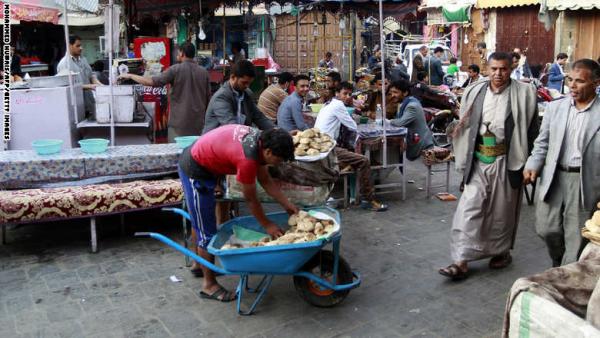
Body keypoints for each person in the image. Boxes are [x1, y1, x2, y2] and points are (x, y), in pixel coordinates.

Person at [439, 52, 539, 280]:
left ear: (511, 69)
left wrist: (531, 163)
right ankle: (460, 260)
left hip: (508, 159)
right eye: (494, 69)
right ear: (487, 68)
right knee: (468, 208)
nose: (498, 74)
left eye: (503, 69)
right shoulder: (476, 90)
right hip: (479, 160)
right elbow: (465, 124)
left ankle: (500, 252)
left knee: (502, 212)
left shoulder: (524, 93)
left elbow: (532, 131)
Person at [178, 125, 299, 301]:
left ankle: (199, 265)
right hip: (195, 169)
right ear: (268, 151)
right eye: (279, 160)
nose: (278, 164)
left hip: (208, 163)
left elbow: (265, 180)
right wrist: (267, 225)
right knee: (207, 230)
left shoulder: (259, 141)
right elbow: (251, 199)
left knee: (200, 221)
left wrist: (288, 205)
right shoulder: (247, 159)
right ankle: (208, 285)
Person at [524, 59, 600, 267]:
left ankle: (565, 275)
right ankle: (558, 260)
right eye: (570, 80)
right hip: (554, 176)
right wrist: (533, 164)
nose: (572, 86)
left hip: (584, 181)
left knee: (576, 236)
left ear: (596, 83)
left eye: (580, 81)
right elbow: (542, 142)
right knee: (546, 228)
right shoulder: (555, 108)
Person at [315, 82, 388, 212]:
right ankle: (368, 199)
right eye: (345, 93)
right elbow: (353, 126)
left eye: (349, 94)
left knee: (352, 156)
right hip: (327, 148)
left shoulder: (329, 104)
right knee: (364, 161)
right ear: (337, 93)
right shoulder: (338, 105)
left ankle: (355, 194)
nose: (347, 96)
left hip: (323, 145)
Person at [119, 42, 211, 141]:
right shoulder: (204, 72)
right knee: (195, 153)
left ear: (182, 53)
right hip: (198, 124)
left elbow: (151, 81)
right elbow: (208, 98)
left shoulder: (175, 70)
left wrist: (130, 75)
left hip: (179, 125)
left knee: (176, 154)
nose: (177, 55)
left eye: (178, 52)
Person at [203, 60, 274, 134]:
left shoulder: (247, 93)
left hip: (237, 137)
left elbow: (259, 117)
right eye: (244, 83)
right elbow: (230, 126)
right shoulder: (221, 97)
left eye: (249, 83)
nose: (247, 86)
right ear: (233, 77)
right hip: (215, 141)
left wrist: (276, 131)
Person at [57, 35, 103, 119]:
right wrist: (90, 86)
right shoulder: (64, 64)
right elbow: (68, 86)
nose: (81, 48)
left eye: (81, 45)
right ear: (69, 46)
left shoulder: (83, 59)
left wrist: (100, 85)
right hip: (76, 107)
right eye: (77, 46)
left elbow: (91, 75)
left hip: (89, 102)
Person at [388, 79, 434, 160]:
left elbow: (400, 123)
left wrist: (388, 121)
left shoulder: (412, 106)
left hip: (420, 143)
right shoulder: (404, 103)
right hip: (411, 138)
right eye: (391, 92)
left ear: (405, 93)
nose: (392, 95)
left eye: (395, 92)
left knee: (389, 149)